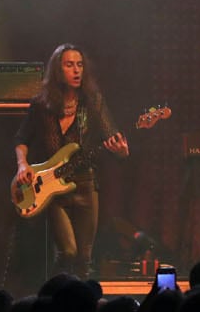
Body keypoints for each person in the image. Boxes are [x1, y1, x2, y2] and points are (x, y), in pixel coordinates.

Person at [13, 44, 128, 278]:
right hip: (54, 190)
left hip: (86, 186)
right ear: (57, 70)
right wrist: (23, 164)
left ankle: (81, 308)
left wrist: (121, 151)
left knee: (84, 257)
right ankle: (54, 297)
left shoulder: (93, 102)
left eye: (80, 65)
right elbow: (22, 138)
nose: (76, 70)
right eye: (69, 65)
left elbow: (111, 136)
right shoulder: (41, 105)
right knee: (67, 252)